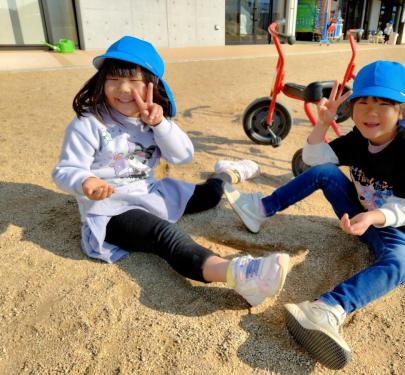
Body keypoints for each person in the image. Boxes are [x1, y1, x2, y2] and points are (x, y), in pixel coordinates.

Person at [223, 61, 405, 368]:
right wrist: (322, 123)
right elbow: (314, 158)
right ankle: (259, 210)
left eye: (384, 104)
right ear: (353, 106)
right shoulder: (358, 140)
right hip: (361, 214)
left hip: (396, 229)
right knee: (325, 172)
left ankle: (327, 309)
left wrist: (371, 218)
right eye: (363, 101)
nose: (371, 112)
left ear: (402, 111)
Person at [52, 36, 289, 307]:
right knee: (163, 235)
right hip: (111, 208)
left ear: (152, 85)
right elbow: (66, 169)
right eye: (114, 79)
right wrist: (86, 181)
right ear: (102, 81)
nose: (123, 89)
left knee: (210, 197)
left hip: (151, 192)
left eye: (134, 81)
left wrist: (159, 124)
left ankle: (226, 173)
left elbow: (183, 156)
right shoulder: (89, 122)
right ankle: (240, 275)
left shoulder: (153, 120)